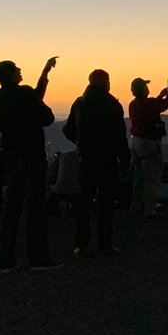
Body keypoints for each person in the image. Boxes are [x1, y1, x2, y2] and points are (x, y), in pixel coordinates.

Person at [0, 57, 61, 271]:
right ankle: (38, 257)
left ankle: (7, 259)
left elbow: (35, 96)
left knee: (12, 209)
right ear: (10, 74)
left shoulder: (2, 97)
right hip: (32, 155)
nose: (20, 70)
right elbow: (46, 116)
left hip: (12, 155)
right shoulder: (23, 93)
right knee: (35, 208)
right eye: (16, 69)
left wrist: (44, 74)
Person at [62, 69, 130, 257]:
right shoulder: (112, 105)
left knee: (84, 201)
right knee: (106, 203)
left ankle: (81, 244)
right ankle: (104, 243)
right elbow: (119, 136)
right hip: (107, 159)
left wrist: (80, 143)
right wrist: (125, 159)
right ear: (106, 82)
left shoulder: (80, 103)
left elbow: (68, 129)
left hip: (86, 158)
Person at [128, 77, 168, 219]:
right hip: (149, 143)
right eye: (145, 86)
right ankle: (150, 210)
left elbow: (154, 105)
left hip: (135, 142)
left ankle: (135, 207)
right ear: (142, 89)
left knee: (139, 177)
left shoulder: (133, 104)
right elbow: (165, 104)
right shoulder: (149, 104)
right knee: (152, 178)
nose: (148, 88)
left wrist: (160, 96)